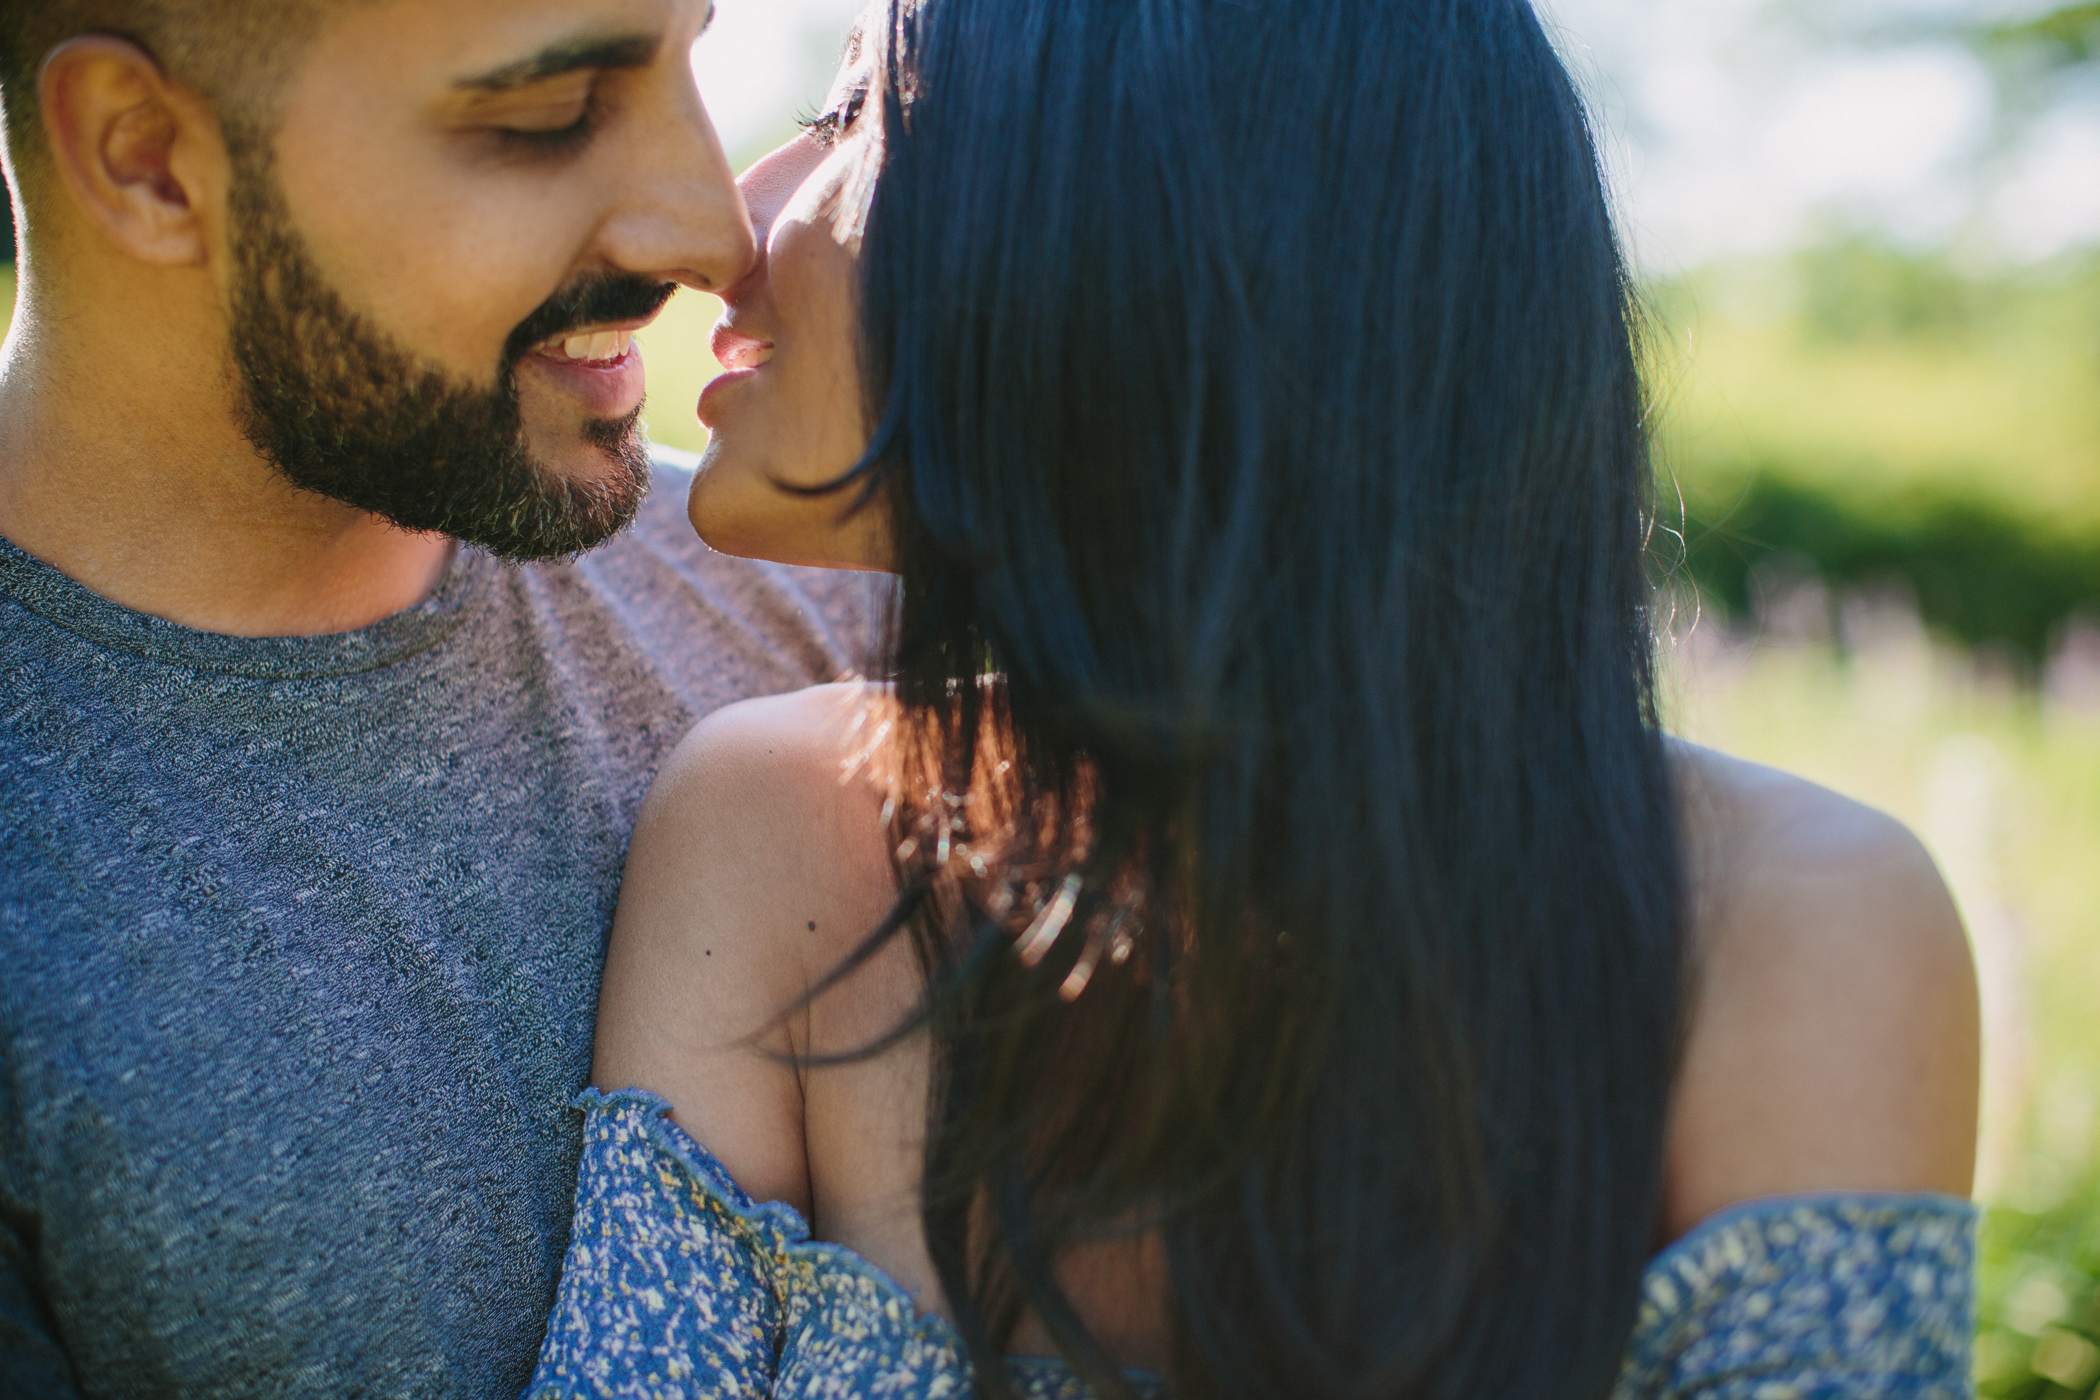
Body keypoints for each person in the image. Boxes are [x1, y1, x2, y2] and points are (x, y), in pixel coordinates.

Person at [523, 0, 1985, 1397]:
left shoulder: (1793, 930)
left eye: (857, 111)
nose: (729, 225)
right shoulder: (767, 832)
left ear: (1147, 224)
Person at [0, 0, 886, 1394]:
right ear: (147, 156)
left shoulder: (847, 609)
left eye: (687, 58)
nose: (714, 235)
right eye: (546, 119)